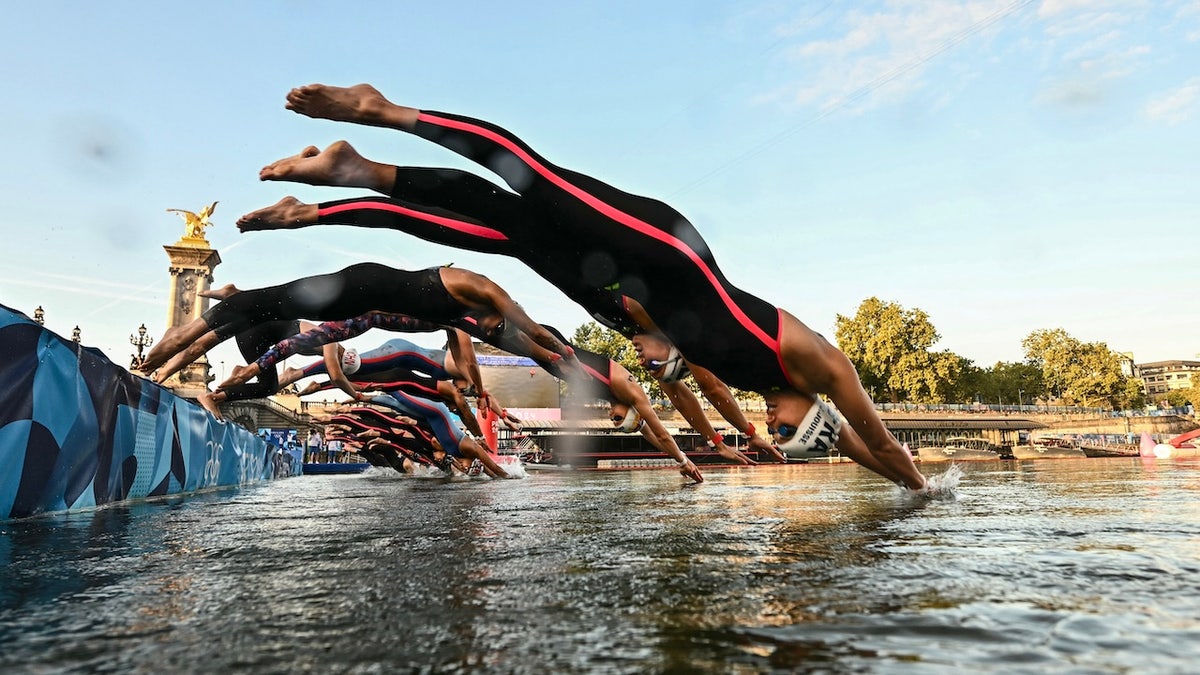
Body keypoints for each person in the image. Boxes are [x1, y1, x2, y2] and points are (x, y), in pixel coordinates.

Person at [238, 83, 927, 490]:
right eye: (784, 424)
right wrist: (922, 481)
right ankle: (379, 109)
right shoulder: (812, 361)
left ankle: (349, 180)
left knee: (494, 224)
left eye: (774, 426)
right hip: (663, 250)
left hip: (614, 291)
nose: (770, 423)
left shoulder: (763, 388)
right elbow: (877, 437)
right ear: (810, 407)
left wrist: (712, 439)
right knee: (530, 178)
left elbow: (831, 438)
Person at [136, 262, 580, 388]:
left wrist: (557, 362)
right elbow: (535, 334)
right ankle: (148, 368)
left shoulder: (473, 323)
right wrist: (560, 352)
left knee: (267, 318)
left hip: (356, 306)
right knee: (191, 338)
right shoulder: (477, 293)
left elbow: (531, 346)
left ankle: (158, 370)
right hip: (358, 286)